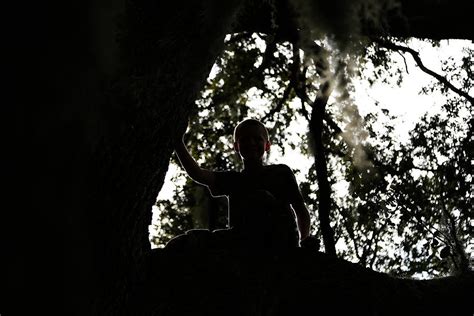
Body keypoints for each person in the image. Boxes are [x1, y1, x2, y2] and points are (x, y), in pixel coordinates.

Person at [174, 118, 311, 249]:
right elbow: (198, 174)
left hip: (281, 240)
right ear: (236, 146)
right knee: (185, 242)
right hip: (243, 242)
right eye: (245, 139)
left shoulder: (281, 172)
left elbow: (300, 210)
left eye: (257, 139)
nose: (251, 143)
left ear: (267, 145)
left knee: (261, 197)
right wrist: (177, 141)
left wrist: (304, 241)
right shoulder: (233, 180)